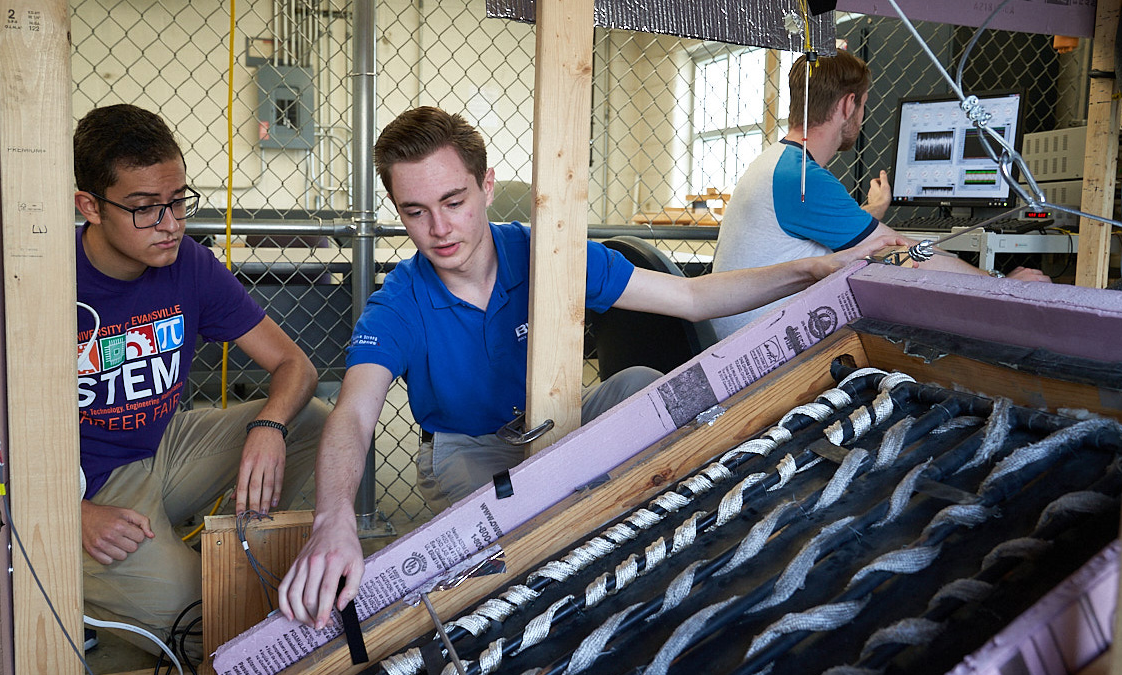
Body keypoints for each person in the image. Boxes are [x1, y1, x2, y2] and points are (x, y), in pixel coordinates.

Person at [277, 105, 908, 630]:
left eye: (454, 200)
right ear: (397, 208)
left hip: (559, 421)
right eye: (415, 212)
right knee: (504, 547)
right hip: (468, 450)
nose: (440, 228)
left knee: (641, 385)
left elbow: (690, 297)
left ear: (487, 186)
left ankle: (704, 554)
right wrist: (333, 516)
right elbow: (355, 413)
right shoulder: (400, 301)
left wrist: (811, 269)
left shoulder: (546, 252)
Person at [74, 104, 330, 659]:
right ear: (90, 206)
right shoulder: (49, 278)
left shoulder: (187, 262)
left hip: (163, 444)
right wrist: (72, 515)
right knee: (210, 619)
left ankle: (242, 546)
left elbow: (297, 367)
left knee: (312, 420)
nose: (170, 224)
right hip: (85, 483)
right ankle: (98, 587)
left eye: (177, 202)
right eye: (144, 209)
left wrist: (268, 424)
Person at [710, 50, 1051, 339]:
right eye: (863, 106)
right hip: (761, 346)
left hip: (742, 333)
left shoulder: (778, 163)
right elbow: (904, 254)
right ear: (848, 105)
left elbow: (814, 239)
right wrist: (1001, 284)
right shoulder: (802, 179)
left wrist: (872, 211)